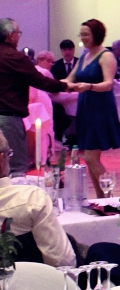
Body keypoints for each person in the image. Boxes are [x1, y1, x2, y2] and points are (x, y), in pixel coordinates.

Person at [67, 19, 120, 195]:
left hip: (100, 109)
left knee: (90, 157)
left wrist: (89, 86)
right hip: (85, 108)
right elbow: (69, 79)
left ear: (97, 35)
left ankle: (109, 198)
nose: (82, 38)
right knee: (89, 158)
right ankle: (101, 199)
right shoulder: (84, 57)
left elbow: (108, 84)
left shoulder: (106, 56)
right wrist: (49, 84)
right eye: (81, 34)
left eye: (86, 34)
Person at [0, 19, 69, 175]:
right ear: (11, 35)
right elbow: (40, 82)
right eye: (18, 33)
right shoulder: (14, 57)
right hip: (8, 119)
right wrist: (66, 86)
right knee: (15, 168)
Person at [0, 130, 75, 265]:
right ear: (1, 160)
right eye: (9, 154)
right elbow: (62, 262)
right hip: (27, 277)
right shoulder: (31, 199)